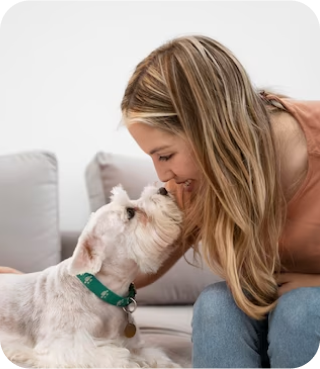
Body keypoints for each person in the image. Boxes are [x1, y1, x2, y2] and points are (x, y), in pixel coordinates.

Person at [1, 35, 319, 368]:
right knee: (215, 305)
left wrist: (313, 282)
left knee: (301, 310)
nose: (163, 177)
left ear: (210, 129)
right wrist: (29, 289)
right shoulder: (195, 182)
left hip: (309, 303)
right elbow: (129, 265)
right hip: (259, 297)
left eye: (165, 155)